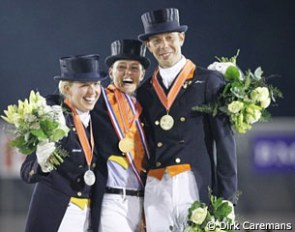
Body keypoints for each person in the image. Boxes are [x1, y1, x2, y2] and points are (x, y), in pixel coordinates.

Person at [137, 8, 238, 231]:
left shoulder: (208, 81)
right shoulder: (143, 92)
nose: (164, 45)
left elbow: (224, 143)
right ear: (148, 46)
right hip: (156, 187)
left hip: (194, 184)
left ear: (181, 38)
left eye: (169, 38)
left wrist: (228, 198)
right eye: (156, 40)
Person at [20, 54, 107, 232]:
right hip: (59, 214)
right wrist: (43, 164)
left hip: (88, 217)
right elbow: (26, 172)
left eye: (96, 84)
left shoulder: (97, 121)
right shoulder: (53, 120)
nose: (92, 92)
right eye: (84, 85)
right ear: (67, 88)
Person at [90, 39, 150, 232]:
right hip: (111, 201)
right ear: (110, 73)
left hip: (145, 201)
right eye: (121, 67)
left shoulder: (150, 107)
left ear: (142, 74)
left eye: (134, 68)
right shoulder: (97, 101)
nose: (127, 73)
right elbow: (69, 97)